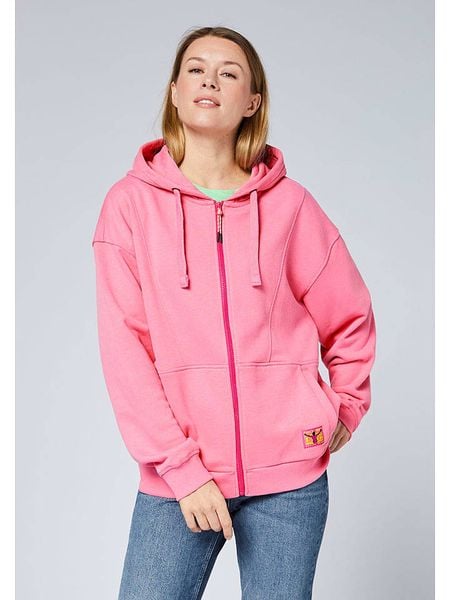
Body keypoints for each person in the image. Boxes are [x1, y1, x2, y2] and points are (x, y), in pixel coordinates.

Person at [91, 25, 376, 600]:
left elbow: (349, 313)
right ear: (175, 92)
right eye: (196, 69)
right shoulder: (129, 207)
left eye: (228, 73)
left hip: (290, 482)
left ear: (252, 102)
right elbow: (126, 352)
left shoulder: (290, 206)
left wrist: (345, 404)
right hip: (180, 478)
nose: (210, 81)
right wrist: (181, 468)